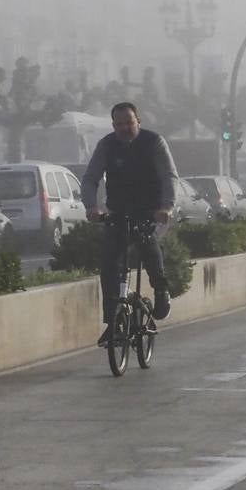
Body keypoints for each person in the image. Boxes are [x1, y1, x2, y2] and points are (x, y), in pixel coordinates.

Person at [80, 101, 177, 347]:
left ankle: (161, 290)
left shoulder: (154, 142)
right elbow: (91, 178)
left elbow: (168, 176)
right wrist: (91, 206)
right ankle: (113, 323)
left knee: (148, 245)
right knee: (109, 265)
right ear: (113, 126)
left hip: (149, 210)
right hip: (118, 211)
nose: (124, 128)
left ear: (138, 121)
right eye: (119, 124)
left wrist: (166, 207)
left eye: (129, 123)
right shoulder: (106, 145)